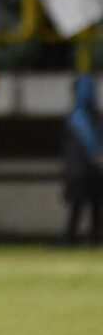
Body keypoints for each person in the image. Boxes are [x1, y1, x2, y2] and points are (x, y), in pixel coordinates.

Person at [62, 74, 103, 246]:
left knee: (81, 206)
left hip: (81, 171)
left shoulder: (77, 118)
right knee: (91, 206)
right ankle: (92, 237)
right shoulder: (94, 118)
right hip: (94, 170)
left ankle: (73, 238)